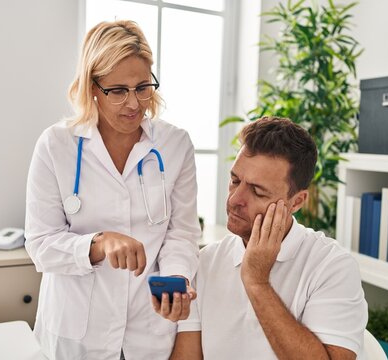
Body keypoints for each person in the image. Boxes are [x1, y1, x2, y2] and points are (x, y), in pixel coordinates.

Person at [25, 20, 200, 360]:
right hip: (77, 334)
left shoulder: (175, 145)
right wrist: (97, 244)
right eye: (118, 90)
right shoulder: (56, 145)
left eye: (143, 87)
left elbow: (181, 234)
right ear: (93, 86)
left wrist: (176, 282)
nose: (134, 103)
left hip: (147, 329)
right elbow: (40, 245)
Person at [169, 117, 368, 359]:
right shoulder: (205, 261)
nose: (234, 200)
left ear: (296, 202)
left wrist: (257, 282)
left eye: (257, 191)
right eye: (234, 181)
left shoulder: (332, 266)